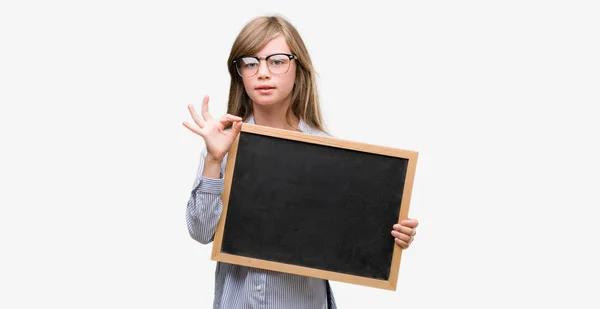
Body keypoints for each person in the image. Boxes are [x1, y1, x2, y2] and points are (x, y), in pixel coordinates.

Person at [183, 15, 419, 309]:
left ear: (298, 67)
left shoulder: (330, 155)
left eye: (277, 61)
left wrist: (389, 236)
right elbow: (202, 232)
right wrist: (214, 159)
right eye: (250, 62)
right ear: (239, 73)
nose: (263, 73)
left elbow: (349, 237)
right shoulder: (222, 144)